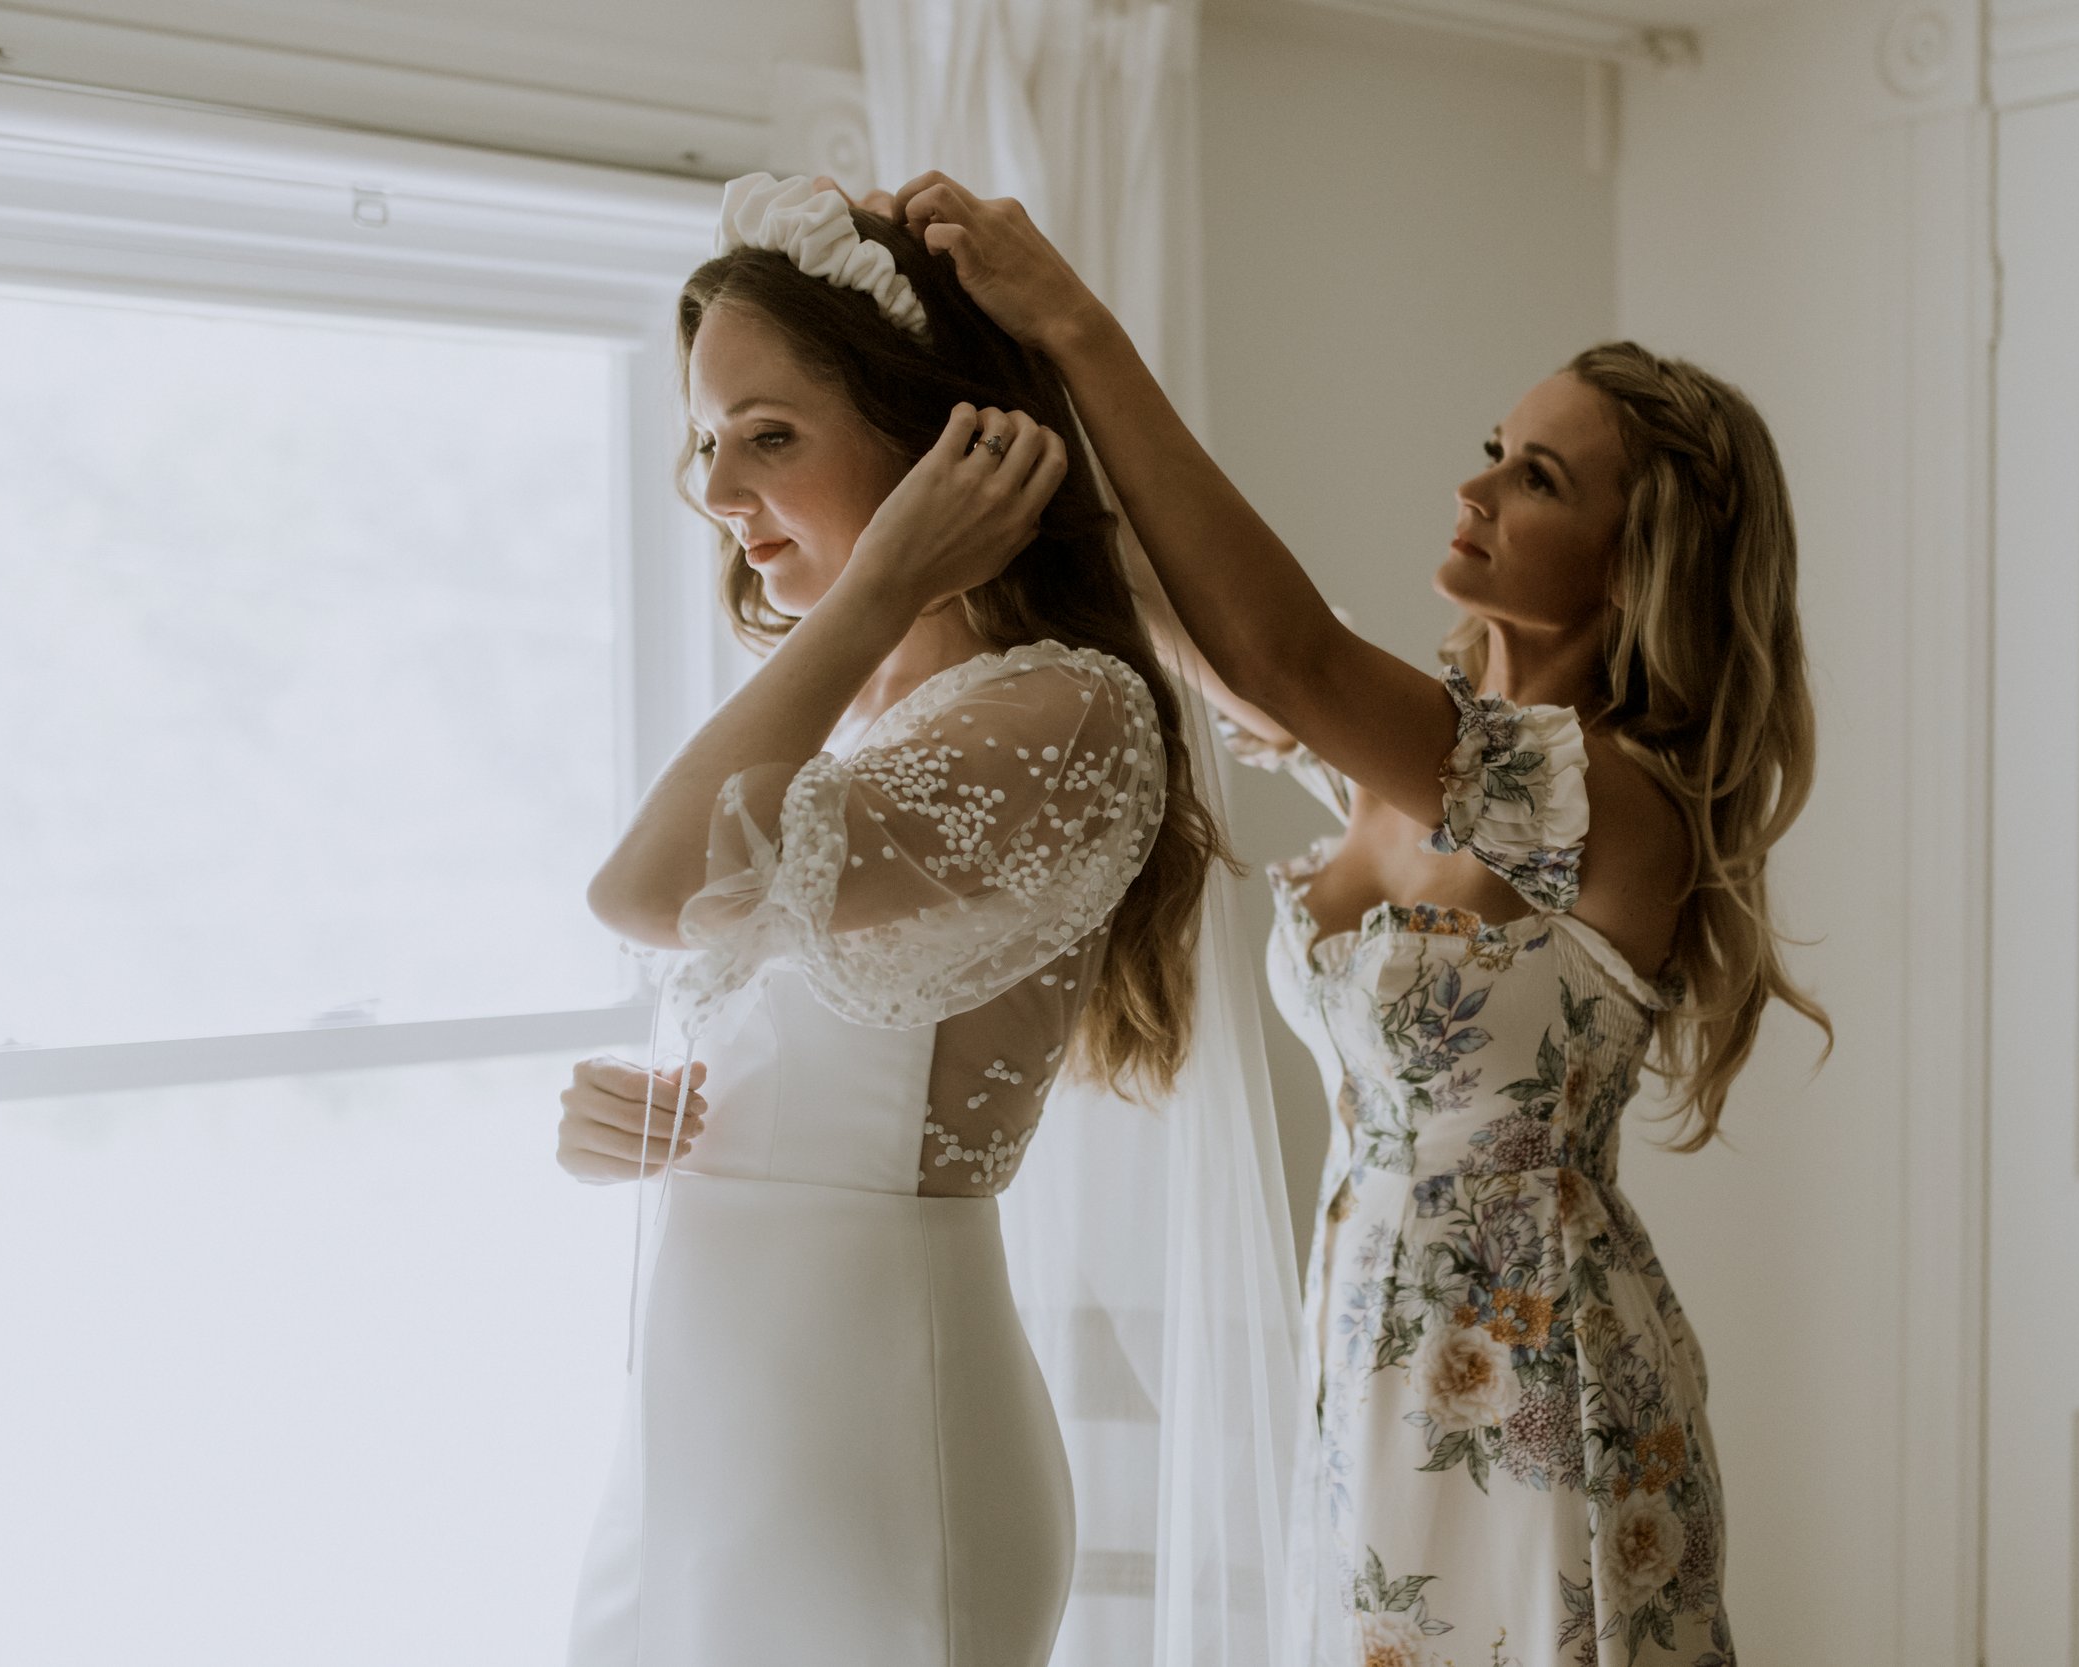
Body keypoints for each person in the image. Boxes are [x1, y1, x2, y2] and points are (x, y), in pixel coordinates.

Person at [848, 171, 1831, 1667]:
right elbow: (1155, 585)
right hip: (1373, 1348)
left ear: (1645, 567)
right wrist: (974, 363)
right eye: (1493, 451)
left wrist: (1078, 319)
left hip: (1542, 1383)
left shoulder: (1610, 802)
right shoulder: (1404, 771)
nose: (1477, 491)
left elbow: (1284, 648)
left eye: (1541, 481)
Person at [555, 173, 1232, 1665]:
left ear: (938, 445)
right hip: (714, 1432)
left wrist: (873, 591)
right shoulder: (869, 734)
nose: (722, 494)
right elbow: (735, 968)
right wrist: (652, 1120)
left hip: (870, 1453)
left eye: (770, 435)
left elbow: (643, 893)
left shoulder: (1065, 710)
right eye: (706, 442)